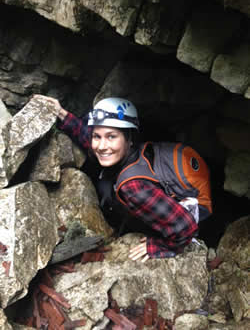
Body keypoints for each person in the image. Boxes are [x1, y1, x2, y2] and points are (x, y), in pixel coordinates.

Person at [33, 95, 212, 262]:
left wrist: (159, 247)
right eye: (97, 136)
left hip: (192, 212)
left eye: (111, 136)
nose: (102, 146)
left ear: (129, 139)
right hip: (176, 189)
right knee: (106, 181)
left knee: (110, 190)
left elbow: (185, 229)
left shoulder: (133, 188)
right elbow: (89, 138)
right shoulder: (129, 151)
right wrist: (61, 114)